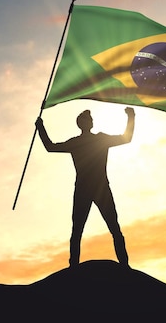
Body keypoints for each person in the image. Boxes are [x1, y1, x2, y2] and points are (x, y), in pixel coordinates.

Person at [35, 107, 135, 268]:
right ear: (83, 124)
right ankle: (75, 265)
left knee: (109, 227)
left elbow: (126, 138)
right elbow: (51, 147)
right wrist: (41, 128)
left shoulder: (87, 141)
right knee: (81, 229)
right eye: (87, 120)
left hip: (95, 187)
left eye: (89, 120)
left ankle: (123, 264)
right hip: (91, 188)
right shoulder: (88, 141)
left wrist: (41, 128)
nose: (90, 122)